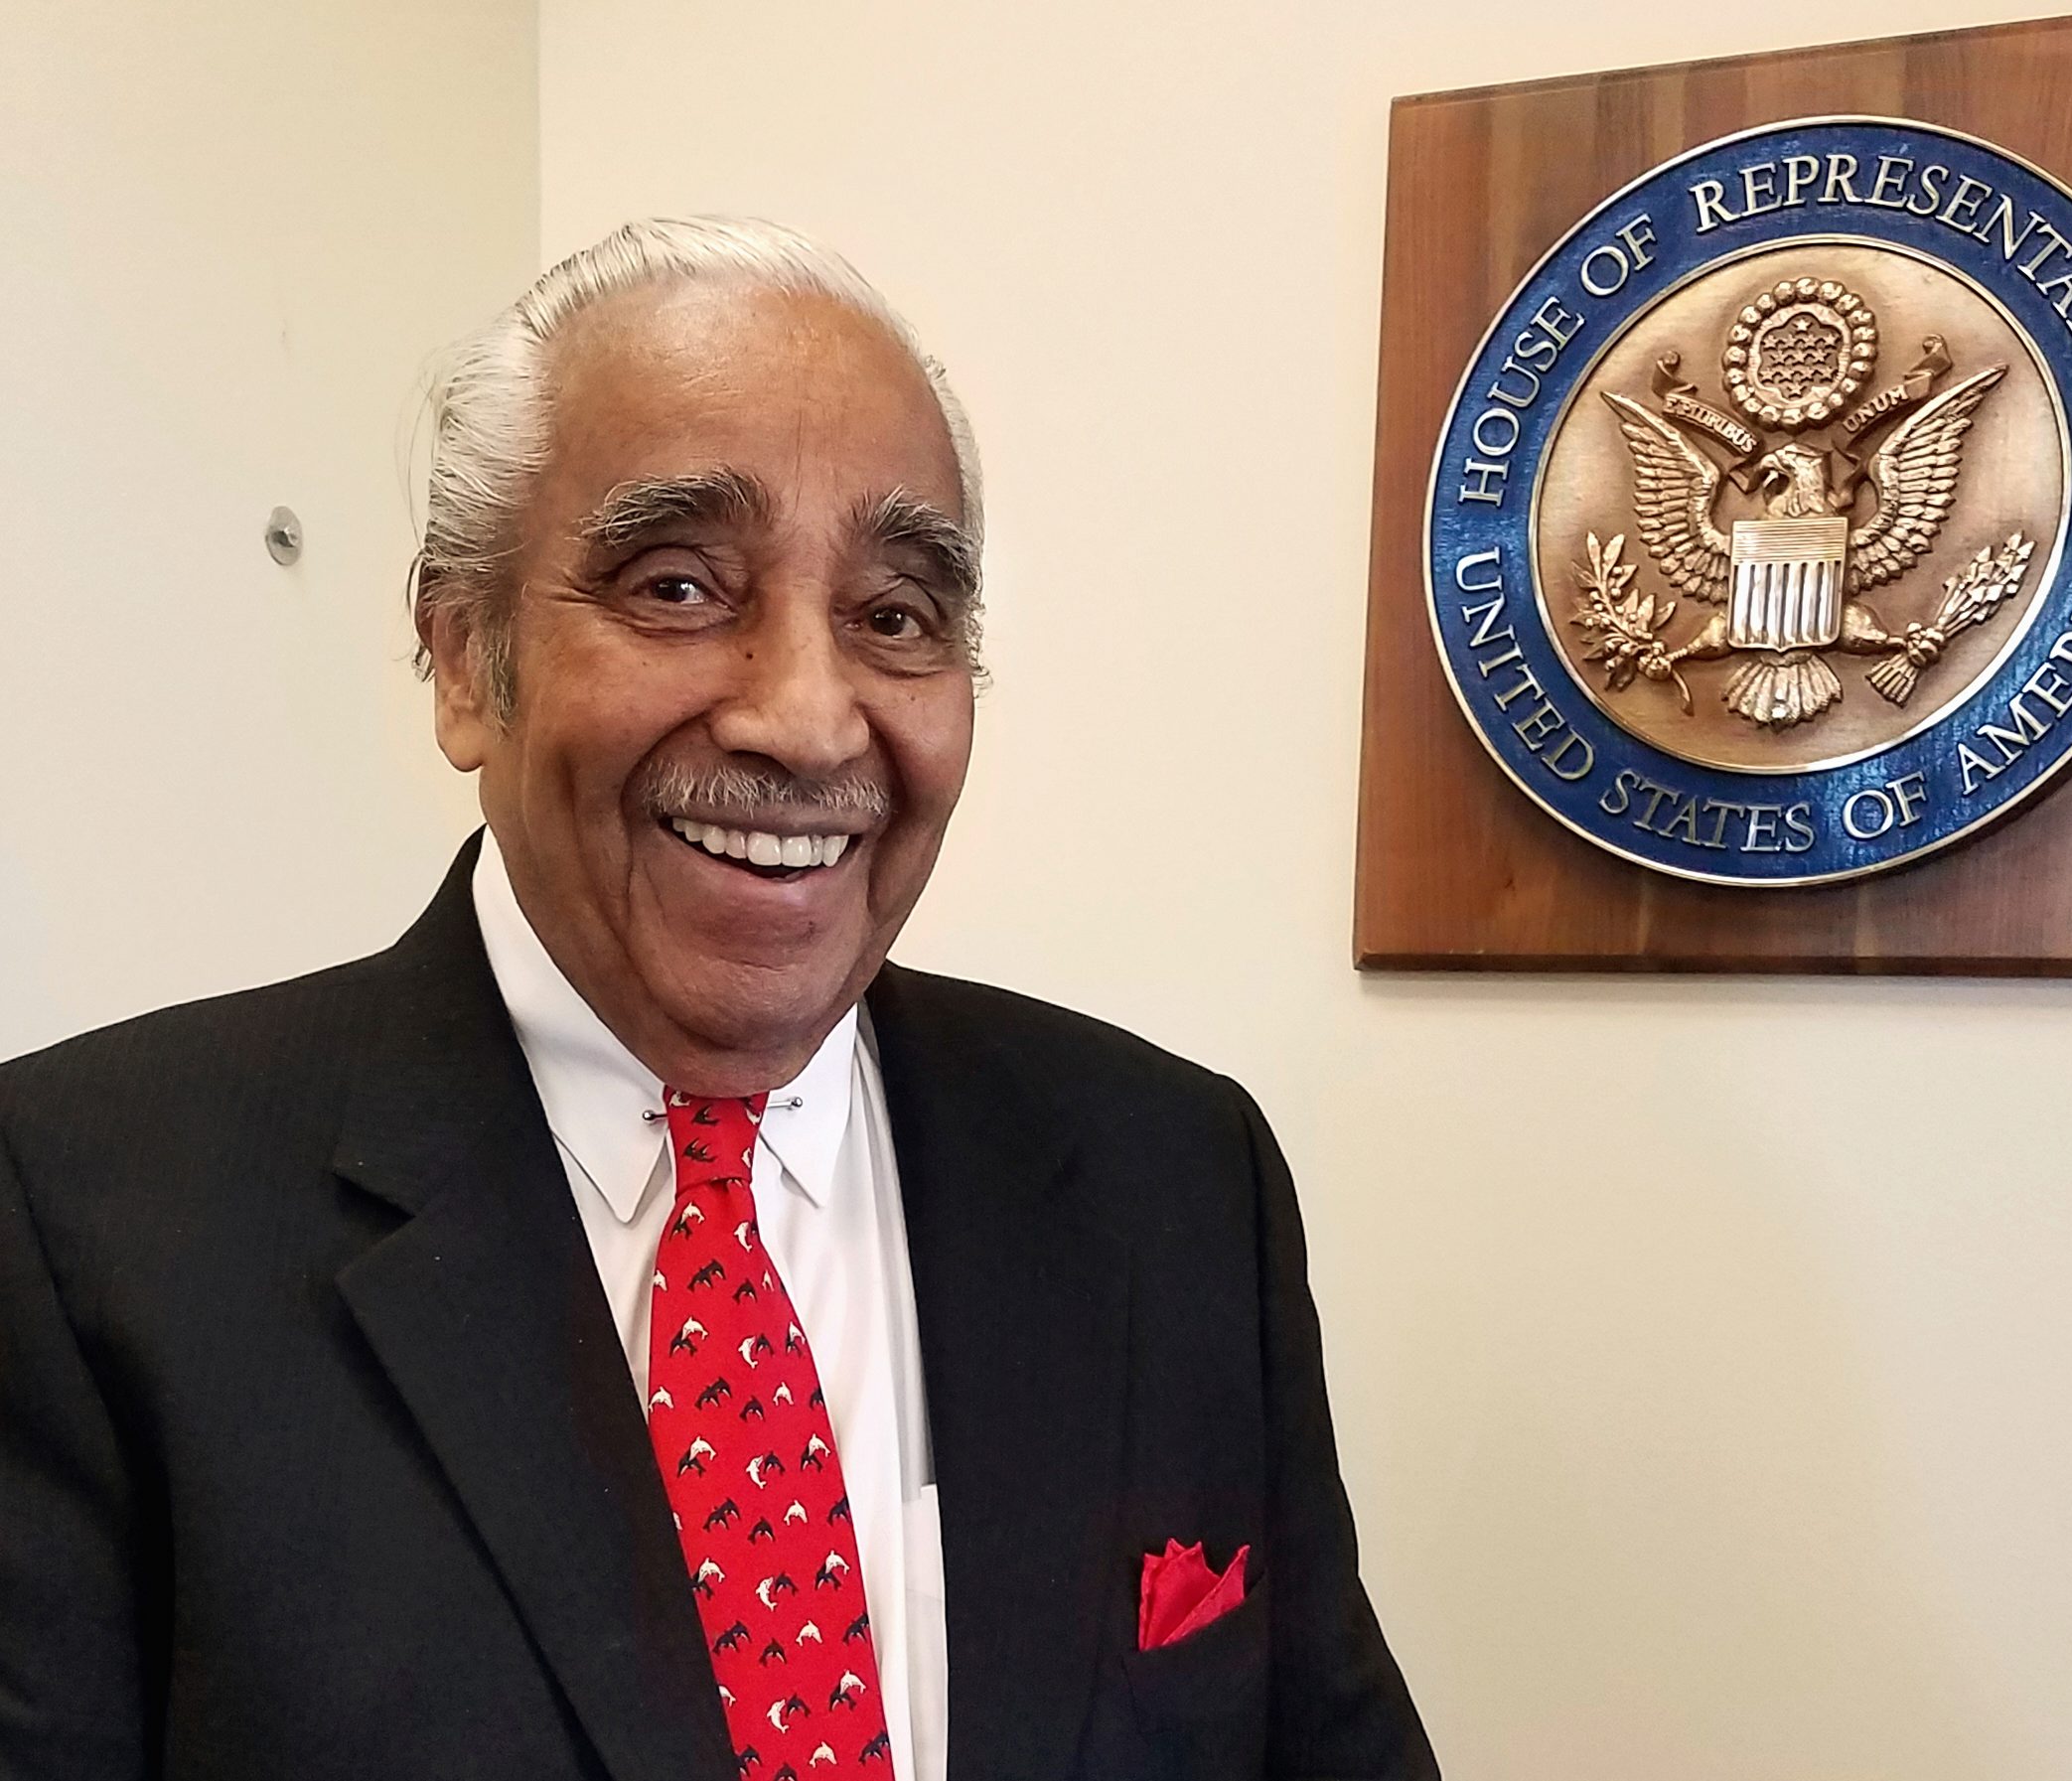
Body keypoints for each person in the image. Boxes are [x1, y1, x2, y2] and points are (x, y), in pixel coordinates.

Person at [0, 218, 1435, 1781]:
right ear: (463, 657)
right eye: (679, 586)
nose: (808, 720)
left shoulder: (1178, 1180)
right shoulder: (80, 1220)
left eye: (895, 615)